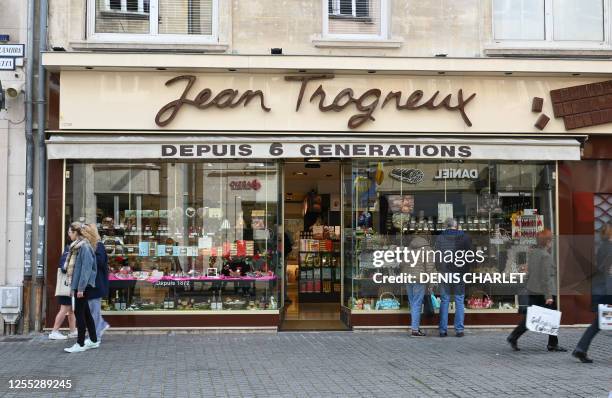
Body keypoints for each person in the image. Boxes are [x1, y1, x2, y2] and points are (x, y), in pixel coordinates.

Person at [507, 229, 567, 352]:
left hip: (533, 289)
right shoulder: (545, 256)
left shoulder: (533, 253)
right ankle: (552, 344)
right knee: (552, 317)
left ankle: (514, 336)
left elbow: (530, 272)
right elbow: (545, 277)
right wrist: (549, 296)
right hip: (544, 291)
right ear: (547, 242)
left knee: (531, 316)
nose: (552, 242)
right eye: (551, 239)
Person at [572, 221, 612, 363]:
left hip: (601, 290)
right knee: (599, 322)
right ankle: (580, 349)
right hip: (607, 291)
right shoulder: (609, 248)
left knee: (598, 323)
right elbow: (607, 272)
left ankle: (580, 349)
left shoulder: (604, 246)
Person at [63, 222, 99, 353]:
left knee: (79, 313)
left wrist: (81, 288)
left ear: (76, 233)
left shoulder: (84, 247)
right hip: (79, 285)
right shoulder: (78, 246)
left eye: (70, 232)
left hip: (83, 286)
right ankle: (94, 340)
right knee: (85, 313)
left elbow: (86, 269)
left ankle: (80, 343)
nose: (68, 234)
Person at [435, 218, 471, 337]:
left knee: (444, 300)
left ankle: (442, 330)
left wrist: (439, 268)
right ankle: (459, 330)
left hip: (445, 272)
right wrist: (466, 270)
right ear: (456, 226)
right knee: (459, 300)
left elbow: (437, 256)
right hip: (459, 272)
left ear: (446, 226)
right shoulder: (464, 237)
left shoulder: (440, 237)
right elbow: (469, 256)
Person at [402, 233, 434, 337]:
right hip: (419, 279)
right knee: (417, 303)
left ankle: (415, 327)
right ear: (426, 239)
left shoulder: (409, 248)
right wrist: (431, 283)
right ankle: (415, 329)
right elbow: (430, 267)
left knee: (413, 303)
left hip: (408, 278)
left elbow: (402, 263)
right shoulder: (427, 249)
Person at [82, 224, 110, 340]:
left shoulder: (99, 246)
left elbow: (99, 262)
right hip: (90, 284)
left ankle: (95, 336)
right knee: (91, 310)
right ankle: (100, 327)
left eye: (83, 234)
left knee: (94, 310)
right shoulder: (89, 246)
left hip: (96, 284)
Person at [49, 242, 78, 340]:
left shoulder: (69, 250)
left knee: (71, 310)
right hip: (67, 285)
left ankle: (73, 331)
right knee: (64, 309)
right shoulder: (69, 251)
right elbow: (64, 267)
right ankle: (54, 331)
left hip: (69, 285)